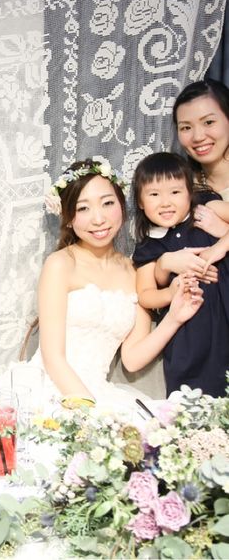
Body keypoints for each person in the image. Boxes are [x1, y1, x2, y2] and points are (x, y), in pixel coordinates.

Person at [12, 158, 203, 409]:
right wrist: (88, 411)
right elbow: (53, 358)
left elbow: (132, 359)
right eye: (83, 208)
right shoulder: (60, 264)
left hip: (100, 392)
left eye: (108, 203)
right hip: (51, 389)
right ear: (68, 217)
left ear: (122, 206)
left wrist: (174, 317)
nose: (98, 219)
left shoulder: (134, 272)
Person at [132, 152, 229, 397]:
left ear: (189, 192)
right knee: (197, 400)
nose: (165, 202)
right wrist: (169, 292)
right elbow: (145, 295)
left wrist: (219, 246)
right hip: (191, 335)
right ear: (141, 202)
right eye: (154, 195)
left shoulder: (205, 208)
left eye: (175, 192)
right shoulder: (150, 245)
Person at [173, 78, 229, 239]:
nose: (198, 137)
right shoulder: (182, 188)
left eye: (209, 122)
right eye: (186, 127)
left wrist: (223, 231)